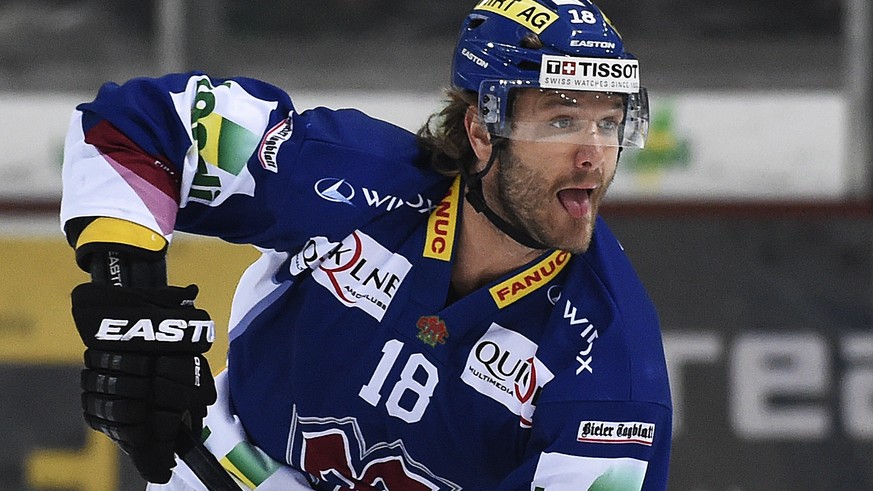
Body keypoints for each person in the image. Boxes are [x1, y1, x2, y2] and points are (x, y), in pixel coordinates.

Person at [62, 0, 672, 489]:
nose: (594, 156)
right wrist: (129, 299)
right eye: (561, 121)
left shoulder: (612, 365)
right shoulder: (354, 178)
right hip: (228, 470)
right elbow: (134, 126)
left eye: (610, 122)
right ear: (482, 132)